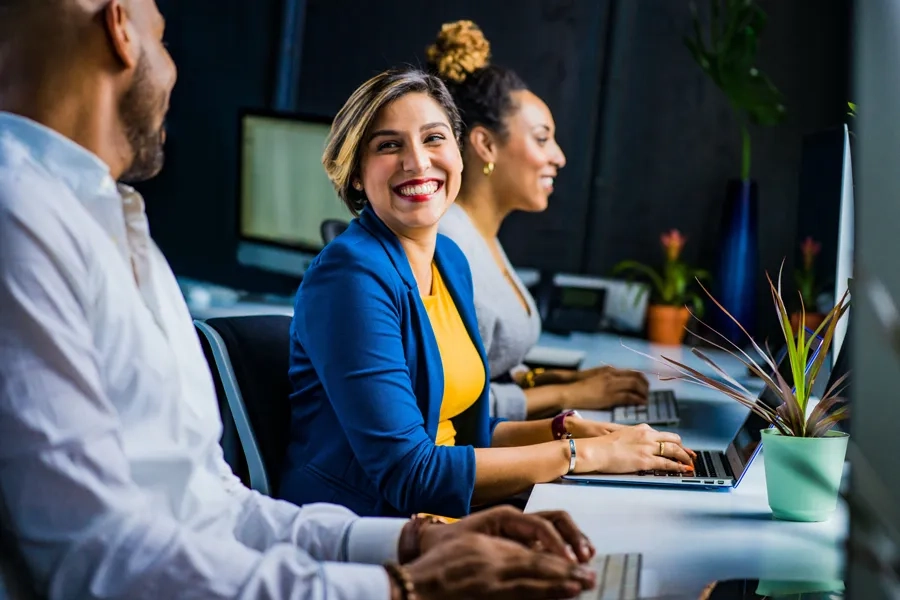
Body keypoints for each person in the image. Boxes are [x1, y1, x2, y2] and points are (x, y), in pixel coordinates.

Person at [0, 1, 600, 599]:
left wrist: (411, 548)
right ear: (120, 29)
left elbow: (217, 506)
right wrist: (398, 586)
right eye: (163, 38)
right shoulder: (20, 217)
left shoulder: (113, 224)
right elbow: (95, 556)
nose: (175, 68)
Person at [281, 66, 695, 519]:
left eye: (434, 138)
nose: (418, 162)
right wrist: (582, 455)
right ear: (357, 174)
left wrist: (567, 431)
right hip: (366, 529)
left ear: (459, 153)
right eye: (388, 145)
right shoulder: (350, 277)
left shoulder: (450, 261)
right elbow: (410, 473)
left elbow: (464, 436)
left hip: (445, 516)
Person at [430, 20, 652, 422]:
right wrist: (568, 394)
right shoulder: (449, 245)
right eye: (541, 137)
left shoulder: (482, 237)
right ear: (485, 144)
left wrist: (558, 379)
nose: (559, 157)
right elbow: (453, 405)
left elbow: (488, 368)